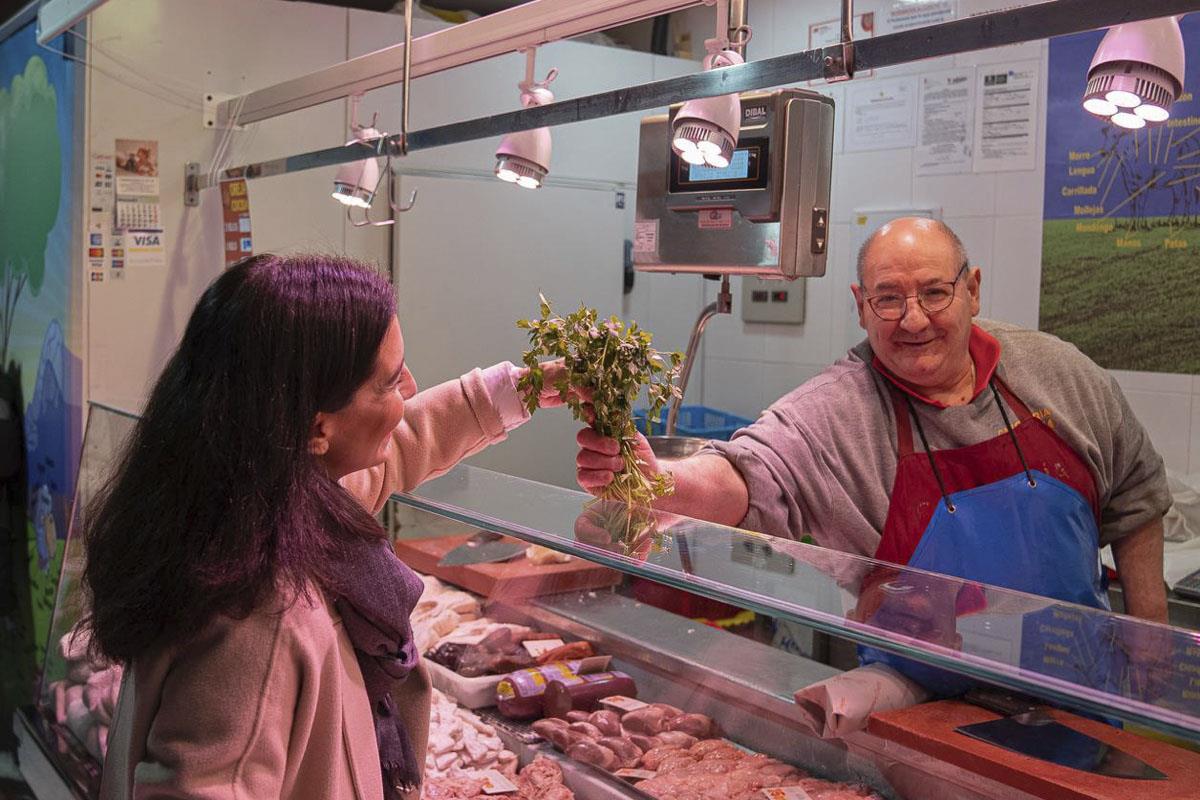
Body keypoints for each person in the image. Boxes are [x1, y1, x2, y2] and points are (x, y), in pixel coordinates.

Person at [576, 217, 1169, 689]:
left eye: (935, 293)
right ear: (861, 305)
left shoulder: (1058, 373)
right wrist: (654, 482)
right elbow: (749, 474)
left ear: (973, 290)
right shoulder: (840, 407)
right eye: (889, 299)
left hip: (1079, 691)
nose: (913, 320)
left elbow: (1136, 494)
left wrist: (1148, 638)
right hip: (926, 707)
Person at [84, 253, 567, 800]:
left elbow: (399, 449)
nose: (408, 389)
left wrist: (520, 391)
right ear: (317, 427)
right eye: (388, 382)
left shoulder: (256, 497)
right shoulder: (257, 611)